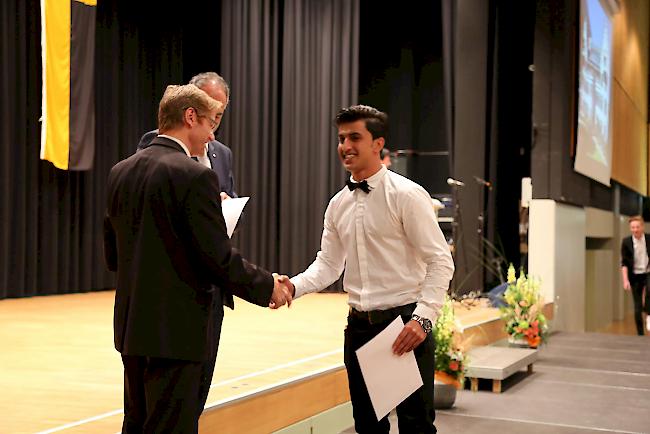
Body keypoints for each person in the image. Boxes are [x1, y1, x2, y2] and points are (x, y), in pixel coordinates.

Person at [104, 84, 292, 433]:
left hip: (133, 329)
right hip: (179, 333)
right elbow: (217, 257)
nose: (210, 136)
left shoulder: (120, 172)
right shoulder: (194, 176)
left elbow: (113, 256)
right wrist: (268, 285)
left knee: (136, 424)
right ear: (190, 117)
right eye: (209, 124)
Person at [280, 105, 454, 433]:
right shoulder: (338, 204)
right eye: (341, 138)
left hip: (405, 326)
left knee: (416, 427)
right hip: (359, 328)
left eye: (355, 137)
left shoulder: (407, 195)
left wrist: (424, 319)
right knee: (368, 428)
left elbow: (440, 260)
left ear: (378, 144)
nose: (345, 145)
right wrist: (292, 287)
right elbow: (328, 265)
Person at [137, 72, 236, 200]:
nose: (214, 121)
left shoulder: (223, 153)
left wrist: (228, 203)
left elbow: (232, 197)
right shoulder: (156, 141)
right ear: (191, 113)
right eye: (209, 112)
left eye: (218, 114)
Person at [620, 215, 650, 335]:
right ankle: (640, 334)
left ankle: (649, 314)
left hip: (648, 272)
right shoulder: (626, 242)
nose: (635, 230)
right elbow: (624, 263)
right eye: (633, 227)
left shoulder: (648, 239)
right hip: (635, 275)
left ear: (642, 227)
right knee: (637, 307)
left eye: (637, 227)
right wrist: (625, 280)